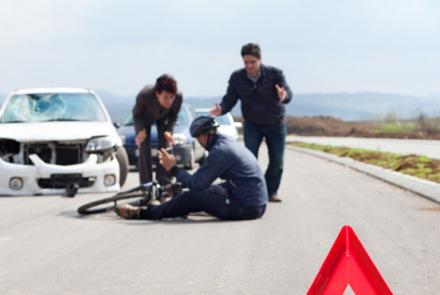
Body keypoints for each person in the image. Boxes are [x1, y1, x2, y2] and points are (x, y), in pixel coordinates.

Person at [115, 116, 268, 221]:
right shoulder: (225, 142)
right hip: (252, 200)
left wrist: (173, 168)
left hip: (247, 207)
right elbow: (202, 182)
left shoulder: (220, 152)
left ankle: (143, 213)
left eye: (198, 138)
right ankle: (172, 206)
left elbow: (197, 183)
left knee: (191, 197)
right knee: (208, 191)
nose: (198, 141)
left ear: (206, 134)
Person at [210, 43, 293, 202]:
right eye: (246, 62)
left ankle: (270, 192)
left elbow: (288, 93)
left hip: (276, 123)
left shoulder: (275, 74)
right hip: (252, 124)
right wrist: (221, 109)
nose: (249, 66)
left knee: (277, 162)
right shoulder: (237, 78)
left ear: (260, 60)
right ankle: (253, 191)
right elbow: (230, 99)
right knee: (249, 160)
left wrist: (284, 96)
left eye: (253, 62)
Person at [132, 74, 182, 185]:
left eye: (171, 97)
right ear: (157, 94)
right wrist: (140, 130)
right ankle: (146, 185)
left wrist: (169, 131)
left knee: (165, 146)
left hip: (164, 118)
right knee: (144, 146)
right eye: (165, 97)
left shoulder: (178, 97)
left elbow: (173, 116)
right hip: (145, 117)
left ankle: (163, 183)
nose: (169, 101)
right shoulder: (145, 94)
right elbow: (136, 115)